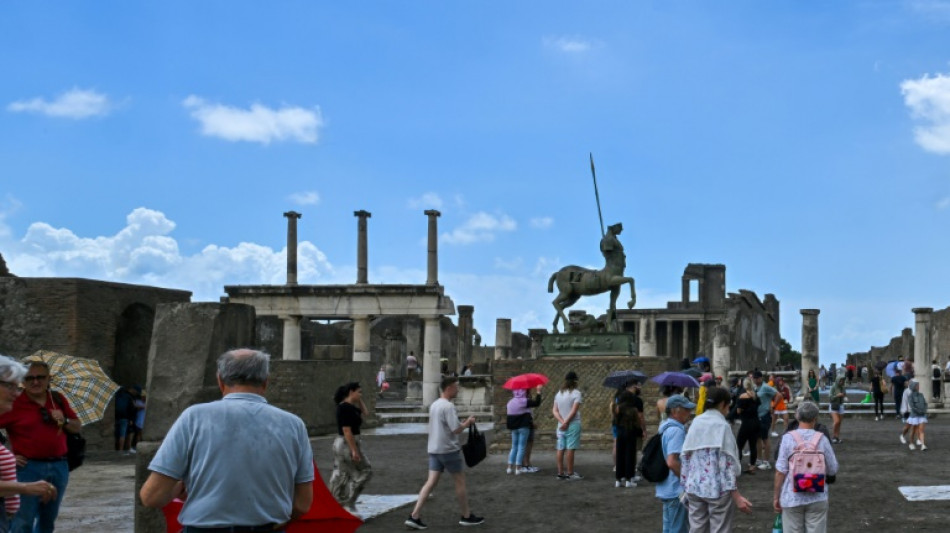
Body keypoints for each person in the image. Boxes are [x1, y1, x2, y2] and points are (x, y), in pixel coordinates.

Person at [140, 349, 314, 532]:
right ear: (265, 382)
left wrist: (179, 487)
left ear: (220, 381)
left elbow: (151, 497)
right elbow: (303, 504)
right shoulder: (294, 425)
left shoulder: (194, 417)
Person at [0, 361, 81, 533]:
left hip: (59, 466)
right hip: (27, 468)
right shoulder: (14, 402)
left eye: (40, 377)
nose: (35, 382)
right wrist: (8, 456)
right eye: (29, 378)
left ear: (49, 378)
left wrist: (64, 420)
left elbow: (76, 427)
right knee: (23, 521)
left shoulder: (57, 399)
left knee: (48, 520)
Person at [405, 376, 483, 529]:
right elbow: (456, 429)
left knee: (430, 482)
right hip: (448, 450)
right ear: (448, 388)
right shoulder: (448, 406)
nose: (458, 390)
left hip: (434, 449)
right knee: (460, 482)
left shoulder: (434, 405)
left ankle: (414, 515)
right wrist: (468, 422)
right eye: (456, 387)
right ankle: (466, 516)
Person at [680, 387, 753, 532]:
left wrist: (685, 483)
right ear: (722, 404)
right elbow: (727, 464)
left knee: (697, 528)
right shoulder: (722, 426)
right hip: (717, 488)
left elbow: (686, 456)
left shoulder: (695, 422)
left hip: (694, 485)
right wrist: (736, 495)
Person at [772, 401, 839, 533]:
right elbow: (833, 468)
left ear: (797, 416)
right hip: (817, 495)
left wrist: (776, 496)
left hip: (792, 496)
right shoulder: (822, 439)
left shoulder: (787, 439)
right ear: (815, 418)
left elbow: (780, 471)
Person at [329, 382, 372, 513]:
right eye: (359, 392)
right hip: (346, 443)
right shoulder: (344, 408)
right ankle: (348, 501)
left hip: (347, 442)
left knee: (342, 473)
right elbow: (347, 430)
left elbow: (366, 413)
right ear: (351, 392)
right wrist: (354, 450)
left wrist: (359, 399)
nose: (361, 394)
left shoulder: (351, 407)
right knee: (364, 471)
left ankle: (338, 502)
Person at [655, 394, 695, 533]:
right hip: (676, 489)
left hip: (667, 487)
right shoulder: (676, 431)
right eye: (686, 409)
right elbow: (672, 462)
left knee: (669, 528)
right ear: (675, 411)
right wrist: (687, 481)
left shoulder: (664, 427)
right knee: (678, 529)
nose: (689, 413)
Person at [612, 380, 645, 488]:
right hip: (630, 432)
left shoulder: (617, 409)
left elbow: (615, 420)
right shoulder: (633, 410)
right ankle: (629, 480)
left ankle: (618, 479)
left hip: (620, 432)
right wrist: (642, 430)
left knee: (620, 455)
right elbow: (638, 421)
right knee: (630, 455)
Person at [552, 371, 583, 480]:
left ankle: (560, 473)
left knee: (560, 448)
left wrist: (562, 421)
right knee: (570, 448)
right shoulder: (576, 393)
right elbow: (574, 411)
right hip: (573, 424)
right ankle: (570, 473)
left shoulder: (559, 394)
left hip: (560, 426)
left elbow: (555, 411)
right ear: (575, 381)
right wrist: (566, 422)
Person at [505, 388, 540, 475]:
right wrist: (538, 392)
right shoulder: (524, 401)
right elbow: (537, 403)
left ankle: (509, 468)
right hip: (523, 427)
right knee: (521, 447)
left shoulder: (510, 402)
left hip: (513, 427)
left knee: (514, 447)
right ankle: (518, 468)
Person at [735, 378, 760, 475]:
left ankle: (737, 465)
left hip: (746, 422)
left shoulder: (743, 396)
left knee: (739, 445)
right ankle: (752, 466)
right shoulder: (755, 396)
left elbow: (738, 411)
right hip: (756, 422)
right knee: (753, 445)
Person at [753, 371, 777, 470]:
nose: (755, 380)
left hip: (765, 416)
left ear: (761, 378)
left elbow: (778, 395)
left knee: (765, 438)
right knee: (757, 438)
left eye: (757, 378)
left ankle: (767, 462)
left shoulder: (766, 387)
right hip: (757, 416)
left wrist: (773, 406)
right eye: (754, 378)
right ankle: (759, 459)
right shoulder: (755, 387)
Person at [113, 384, 138, 453]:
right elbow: (131, 408)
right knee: (122, 434)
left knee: (116, 434)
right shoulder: (128, 397)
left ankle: (116, 448)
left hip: (116, 418)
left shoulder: (116, 396)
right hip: (125, 418)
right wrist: (131, 419)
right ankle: (121, 449)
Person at [907, 380, 929, 451]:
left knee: (921, 430)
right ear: (914, 386)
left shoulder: (921, 395)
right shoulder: (910, 396)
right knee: (913, 430)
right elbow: (912, 406)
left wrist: (924, 410)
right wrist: (919, 411)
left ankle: (923, 445)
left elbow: (925, 403)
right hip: (914, 415)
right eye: (917, 385)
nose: (918, 386)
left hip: (922, 415)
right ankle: (911, 443)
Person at [828, 377, 846, 443]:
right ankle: (833, 436)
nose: (841, 382)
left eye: (842, 381)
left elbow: (844, 394)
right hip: (834, 405)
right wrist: (837, 396)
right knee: (836, 421)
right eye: (840, 381)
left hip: (841, 405)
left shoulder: (843, 387)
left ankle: (837, 437)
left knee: (839, 423)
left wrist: (844, 396)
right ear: (837, 380)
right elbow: (830, 397)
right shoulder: (833, 387)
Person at [130, 387, 146, 452]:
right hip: (138, 421)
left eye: (144, 397)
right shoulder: (138, 402)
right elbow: (135, 406)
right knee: (138, 434)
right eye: (143, 397)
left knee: (141, 435)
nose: (143, 398)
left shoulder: (146, 403)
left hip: (144, 421)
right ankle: (137, 447)